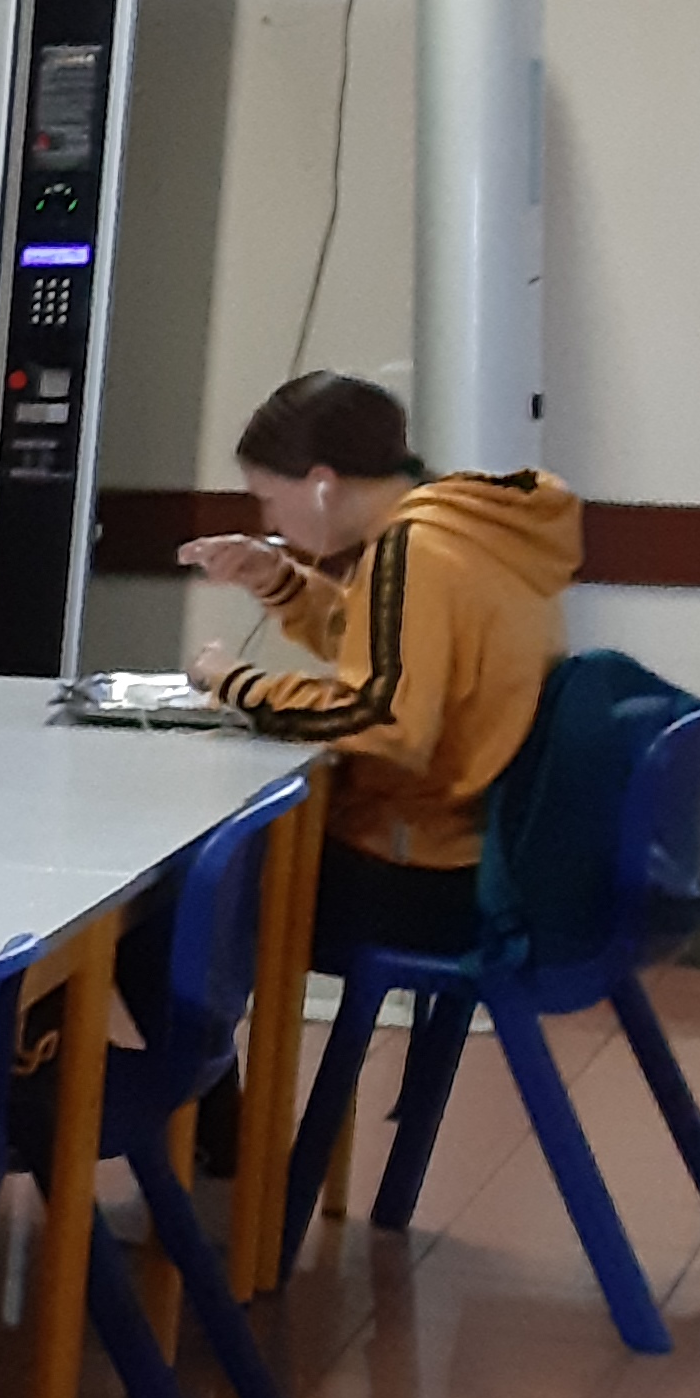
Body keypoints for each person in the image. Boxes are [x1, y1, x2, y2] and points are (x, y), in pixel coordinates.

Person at [177, 370, 583, 970]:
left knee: (178, 896)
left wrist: (235, 683)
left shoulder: (409, 548)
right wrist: (280, 581)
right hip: (495, 857)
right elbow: (395, 648)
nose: (269, 521)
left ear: (321, 484)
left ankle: (187, 1038)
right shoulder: (471, 527)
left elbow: (385, 719)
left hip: (430, 873)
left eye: (269, 498)